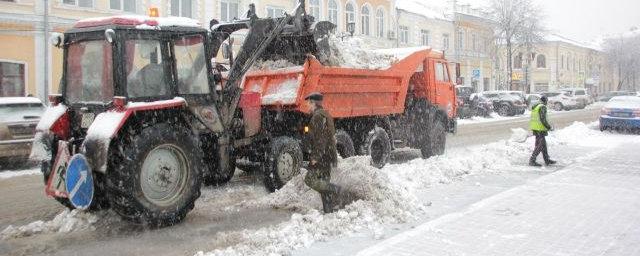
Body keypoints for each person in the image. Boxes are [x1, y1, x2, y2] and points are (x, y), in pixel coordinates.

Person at [303, 92, 343, 213]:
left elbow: (321, 139)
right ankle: (328, 211)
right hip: (328, 155)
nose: (307, 106)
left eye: (308, 103)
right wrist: (305, 128)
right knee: (324, 183)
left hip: (322, 157)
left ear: (313, 103)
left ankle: (336, 189)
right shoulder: (325, 115)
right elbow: (315, 132)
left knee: (309, 180)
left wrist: (315, 156)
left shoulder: (318, 117)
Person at [529, 95, 557, 167]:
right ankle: (532, 160)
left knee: (543, 145)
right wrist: (549, 127)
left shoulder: (536, 106)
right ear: (545, 101)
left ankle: (547, 159)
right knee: (540, 145)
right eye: (547, 101)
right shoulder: (542, 107)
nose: (547, 103)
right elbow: (543, 119)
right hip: (540, 129)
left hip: (535, 128)